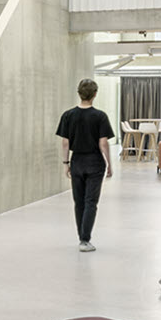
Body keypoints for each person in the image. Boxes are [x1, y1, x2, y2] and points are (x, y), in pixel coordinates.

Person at [58, 77, 115, 251]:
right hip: (95, 162)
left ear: (79, 94)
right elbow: (103, 143)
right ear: (95, 94)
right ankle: (85, 239)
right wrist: (109, 164)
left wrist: (66, 163)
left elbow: (65, 143)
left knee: (79, 201)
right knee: (91, 201)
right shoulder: (100, 116)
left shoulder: (68, 115)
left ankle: (81, 237)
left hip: (77, 161)